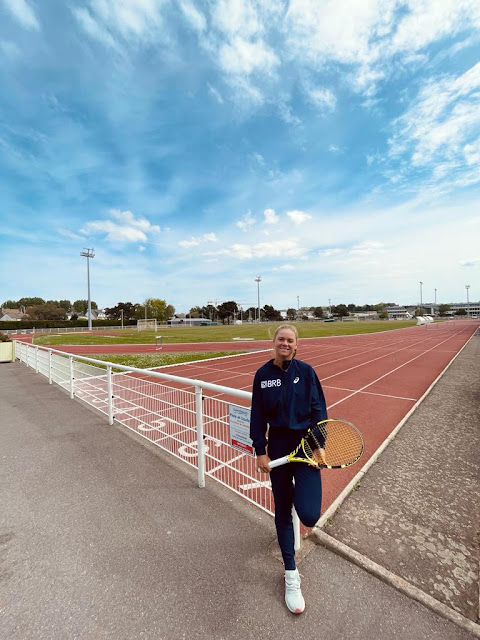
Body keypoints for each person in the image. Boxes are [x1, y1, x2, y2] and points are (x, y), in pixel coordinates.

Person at [250, 324, 327, 614]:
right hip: (279, 448)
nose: (285, 343)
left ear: (296, 345)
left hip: (305, 447)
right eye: (281, 339)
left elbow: (318, 409)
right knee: (282, 509)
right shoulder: (263, 375)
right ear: (274, 343)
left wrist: (319, 444)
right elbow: (257, 416)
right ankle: (291, 574)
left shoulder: (306, 372)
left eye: (290, 340)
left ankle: (298, 494)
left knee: (308, 514)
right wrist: (260, 450)